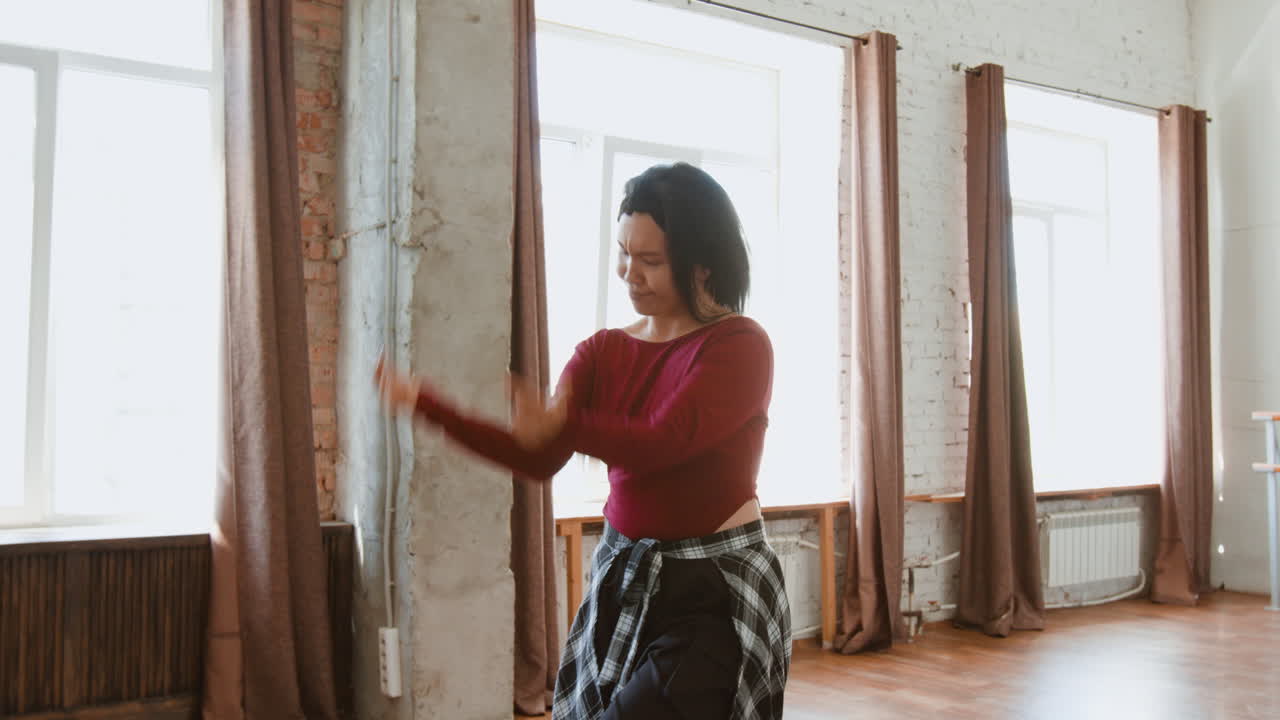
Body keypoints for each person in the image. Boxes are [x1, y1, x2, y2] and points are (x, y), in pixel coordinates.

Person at [376, 162, 790, 719]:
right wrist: (431, 409)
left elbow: (665, 440)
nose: (629, 273)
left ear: (702, 265)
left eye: (650, 261)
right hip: (626, 580)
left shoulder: (739, 344)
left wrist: (562, 424)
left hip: (713, 590)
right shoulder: (601, 351)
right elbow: (538, 455)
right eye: (623, 253)